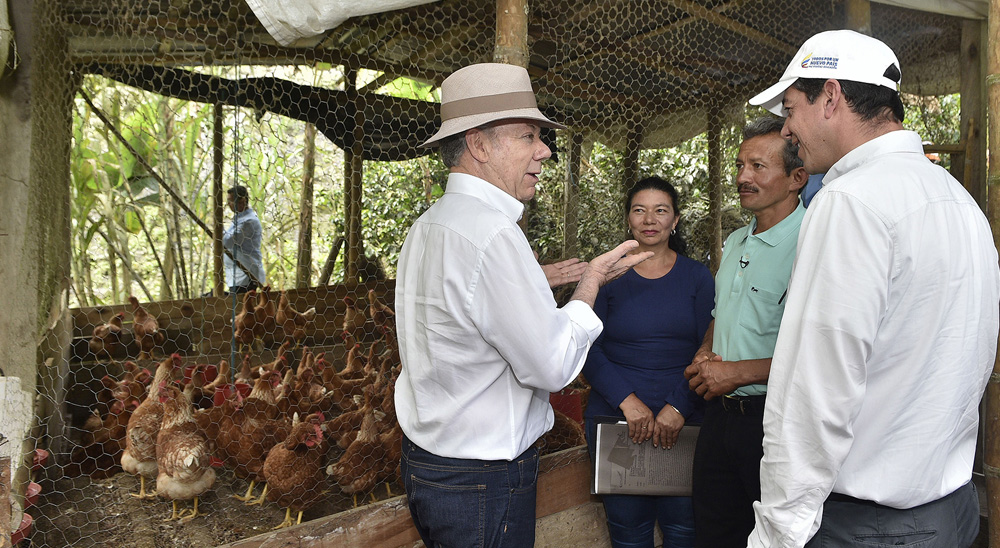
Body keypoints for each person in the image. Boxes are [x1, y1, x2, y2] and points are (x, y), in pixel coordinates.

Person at [745, 29, 1000, 548]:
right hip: (950, 510)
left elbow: (814, 391)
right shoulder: (958, 200)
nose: (788, 129)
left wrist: (777, 533)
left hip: (868, 526)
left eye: (792, 108)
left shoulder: (850, 202)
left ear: (832, 97)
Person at [394, 62, 652, 548]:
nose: (544, 151)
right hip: (483, 481)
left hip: (427, 465)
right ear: (479, 144)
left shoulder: (429, 225)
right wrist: (591, 282)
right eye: (528, 136)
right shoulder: (492, 234)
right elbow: (552, 367)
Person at [683, 116, 807, 548]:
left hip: (774, 420)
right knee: (714, 527)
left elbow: (817, 353)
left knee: (776, 536)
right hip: (719, 416)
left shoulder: (811, 243)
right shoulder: (736, 240)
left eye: (757, 166)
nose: (741, 177)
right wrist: (706, 350)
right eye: (740, 165)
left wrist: (736, 373)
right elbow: (722, 313)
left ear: (797, 178)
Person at [583, 176, 714, 548]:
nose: (649, 219)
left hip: (685, 420)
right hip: (616, 420)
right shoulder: (605, 276)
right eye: (639, 210)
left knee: (685, 530)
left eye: (661, 210)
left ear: (675, 220)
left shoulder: (697, 277)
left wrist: (678, 407)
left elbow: (710, 345)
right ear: (628, 220)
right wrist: (627, 402)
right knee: (628, 531)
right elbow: (587, 346)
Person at [222, 185, 266, 294]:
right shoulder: (239, 219)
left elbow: (228, 242)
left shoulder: (249, 221)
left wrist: (219, 227)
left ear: (242, 200)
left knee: (243, 307)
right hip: (237, 276)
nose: (228, 205)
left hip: (246, 276)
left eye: (231, 201)